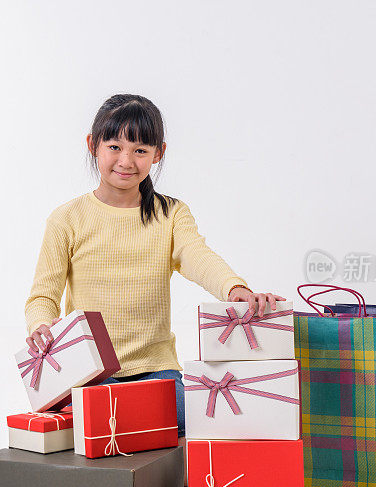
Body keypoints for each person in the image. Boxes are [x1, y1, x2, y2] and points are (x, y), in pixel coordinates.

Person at [24, 94, 284, 443]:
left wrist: (235, 290)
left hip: (156, 369)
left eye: (140, 150)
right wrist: (42, 325)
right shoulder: (67, 219)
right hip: (92, 371)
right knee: (113, 423)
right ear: (93, 146)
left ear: (158, 152)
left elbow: (197, 256)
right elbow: (43, 294)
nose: (126, 161)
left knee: (197, 417)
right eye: (114, 146)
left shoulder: (171, 213)